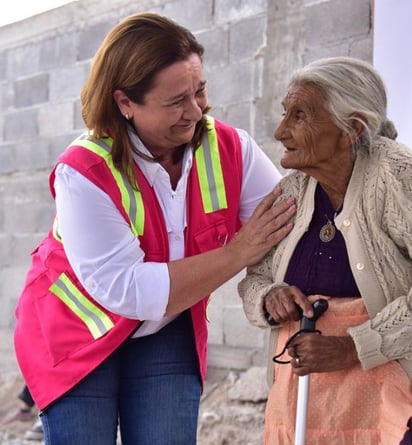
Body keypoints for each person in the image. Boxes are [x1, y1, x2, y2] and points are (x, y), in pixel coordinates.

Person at [13, 12, 296, 445]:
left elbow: (288, 225)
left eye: (199, 91)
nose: (196, 111)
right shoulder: (85, 170)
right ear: (125, 102)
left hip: (164, 329)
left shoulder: (230, 148)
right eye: (176, 101)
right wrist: (237, 253)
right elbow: (129, 289)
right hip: (77, 337)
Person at [238, 56, 412, 444]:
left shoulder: (398, 176)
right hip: (302, 398)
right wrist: (271, 297)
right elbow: (255, 279)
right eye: (286, 113)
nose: (281, 130)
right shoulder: (291, 192)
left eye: (299, 116)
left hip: (388, 395)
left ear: (352, 128)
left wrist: (352, 346)